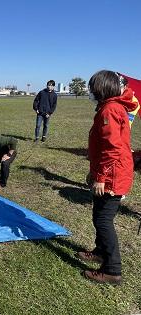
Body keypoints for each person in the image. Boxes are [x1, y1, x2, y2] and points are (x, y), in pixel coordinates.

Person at [77, 70, 135, 285]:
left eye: (93, 87)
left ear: (102, 88)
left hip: (113, 175)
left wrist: (101, 177)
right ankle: (100, 251)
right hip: (108, 171)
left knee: (103, 221)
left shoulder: (110, 109)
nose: (91, 92)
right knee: (98, 214)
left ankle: (112, 270)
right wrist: (94, 171)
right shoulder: (110, 106)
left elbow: (112, 149)